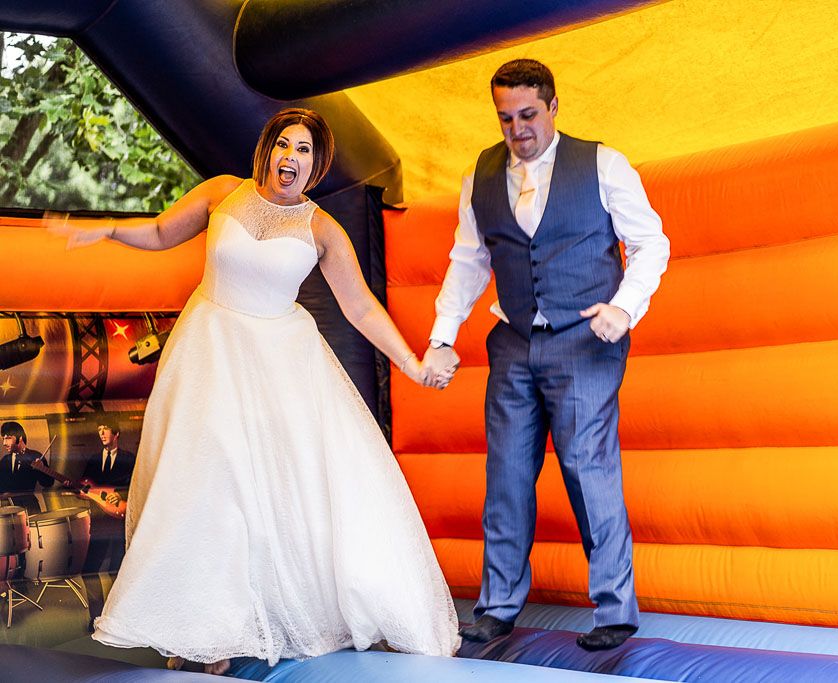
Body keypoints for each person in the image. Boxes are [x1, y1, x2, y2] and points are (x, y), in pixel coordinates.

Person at [47, 108, 460, 674]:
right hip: (209, 353)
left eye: (305, 151)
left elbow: (361, 307)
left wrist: (411, 363)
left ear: (316, 166)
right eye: (285, 145)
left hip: (280, 365)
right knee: (203, 486)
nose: (292, 157)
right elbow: (165, 232)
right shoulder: (223, 193)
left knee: (274, 494)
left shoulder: (322, 230)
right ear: (267, 149)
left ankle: (261, 617)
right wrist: (109, 230)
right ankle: (203, 629)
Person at [422, 59, 670, 651]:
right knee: (506, 475)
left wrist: (624, 306)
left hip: (585, 338)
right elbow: (468, 261)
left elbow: (651, 243)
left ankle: (615, 609)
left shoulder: (602, 165)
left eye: (528, 115)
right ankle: (497, 606)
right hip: (512, 341)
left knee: (588, 469)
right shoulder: (480, 175)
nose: (518, 130)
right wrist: (441, 335)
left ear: (554, 107)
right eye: (506, 118)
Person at [79, 417, 135, 631]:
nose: (102, 433)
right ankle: (96, 618)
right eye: (99, 429)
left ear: (116, 434)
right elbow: (83, 486)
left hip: (120, 523)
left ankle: (119, 617)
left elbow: (136, 486)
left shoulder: (129, 459)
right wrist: (83, 492)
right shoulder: (93, 459)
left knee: (118, 570)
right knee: (90, 570)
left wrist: (119, 495)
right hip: (99, 522)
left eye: (106, 429)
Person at [0, 421, 53, 514]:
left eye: (8, 438)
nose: (4, 443)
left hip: (30, 507)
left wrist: (41, 469)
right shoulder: (5, 460)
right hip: (8, 509)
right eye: (3, 439)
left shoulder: (35, 456)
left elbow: (48, 483)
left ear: (20, 438)